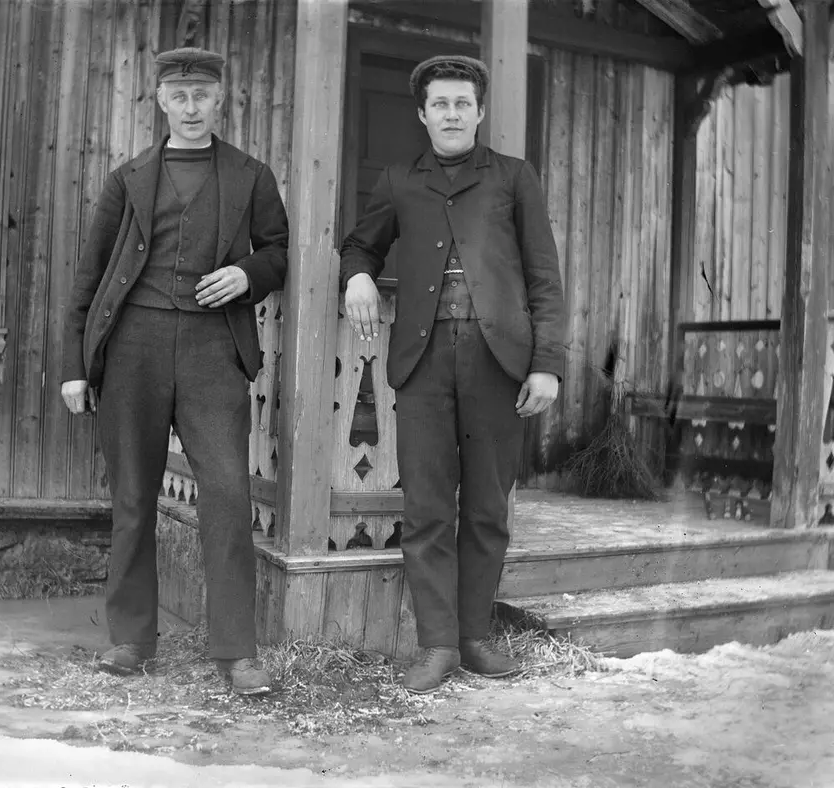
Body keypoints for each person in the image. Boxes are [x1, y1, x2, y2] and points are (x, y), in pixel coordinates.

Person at [60, 47, 289, 695]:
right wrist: (75, 366)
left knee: (228, 494)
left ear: (220, 100)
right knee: (133, 496)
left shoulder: (250, 176)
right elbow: (89, 276)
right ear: (160, 100)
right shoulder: (127, 178)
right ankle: (132, 639)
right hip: (133, 346)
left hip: (214, 349)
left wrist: (247, 273)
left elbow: (279, 252)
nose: (191, 108)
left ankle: (237, 653)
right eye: (179, 96)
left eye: (202, 95)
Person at [339, 55, 566, 693]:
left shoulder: (514, 177)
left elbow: (544, 276)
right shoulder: (399, 179)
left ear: (479, 111)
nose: (452, 114)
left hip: (498, 362)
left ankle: (474, 639)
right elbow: (360, 243)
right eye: (440, 104)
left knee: (489, 508)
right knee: (428, 508)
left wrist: (546, 364)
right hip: (424, 360)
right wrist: (357, 275)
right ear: (422, 114)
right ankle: (436, 645)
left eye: (463, 103)